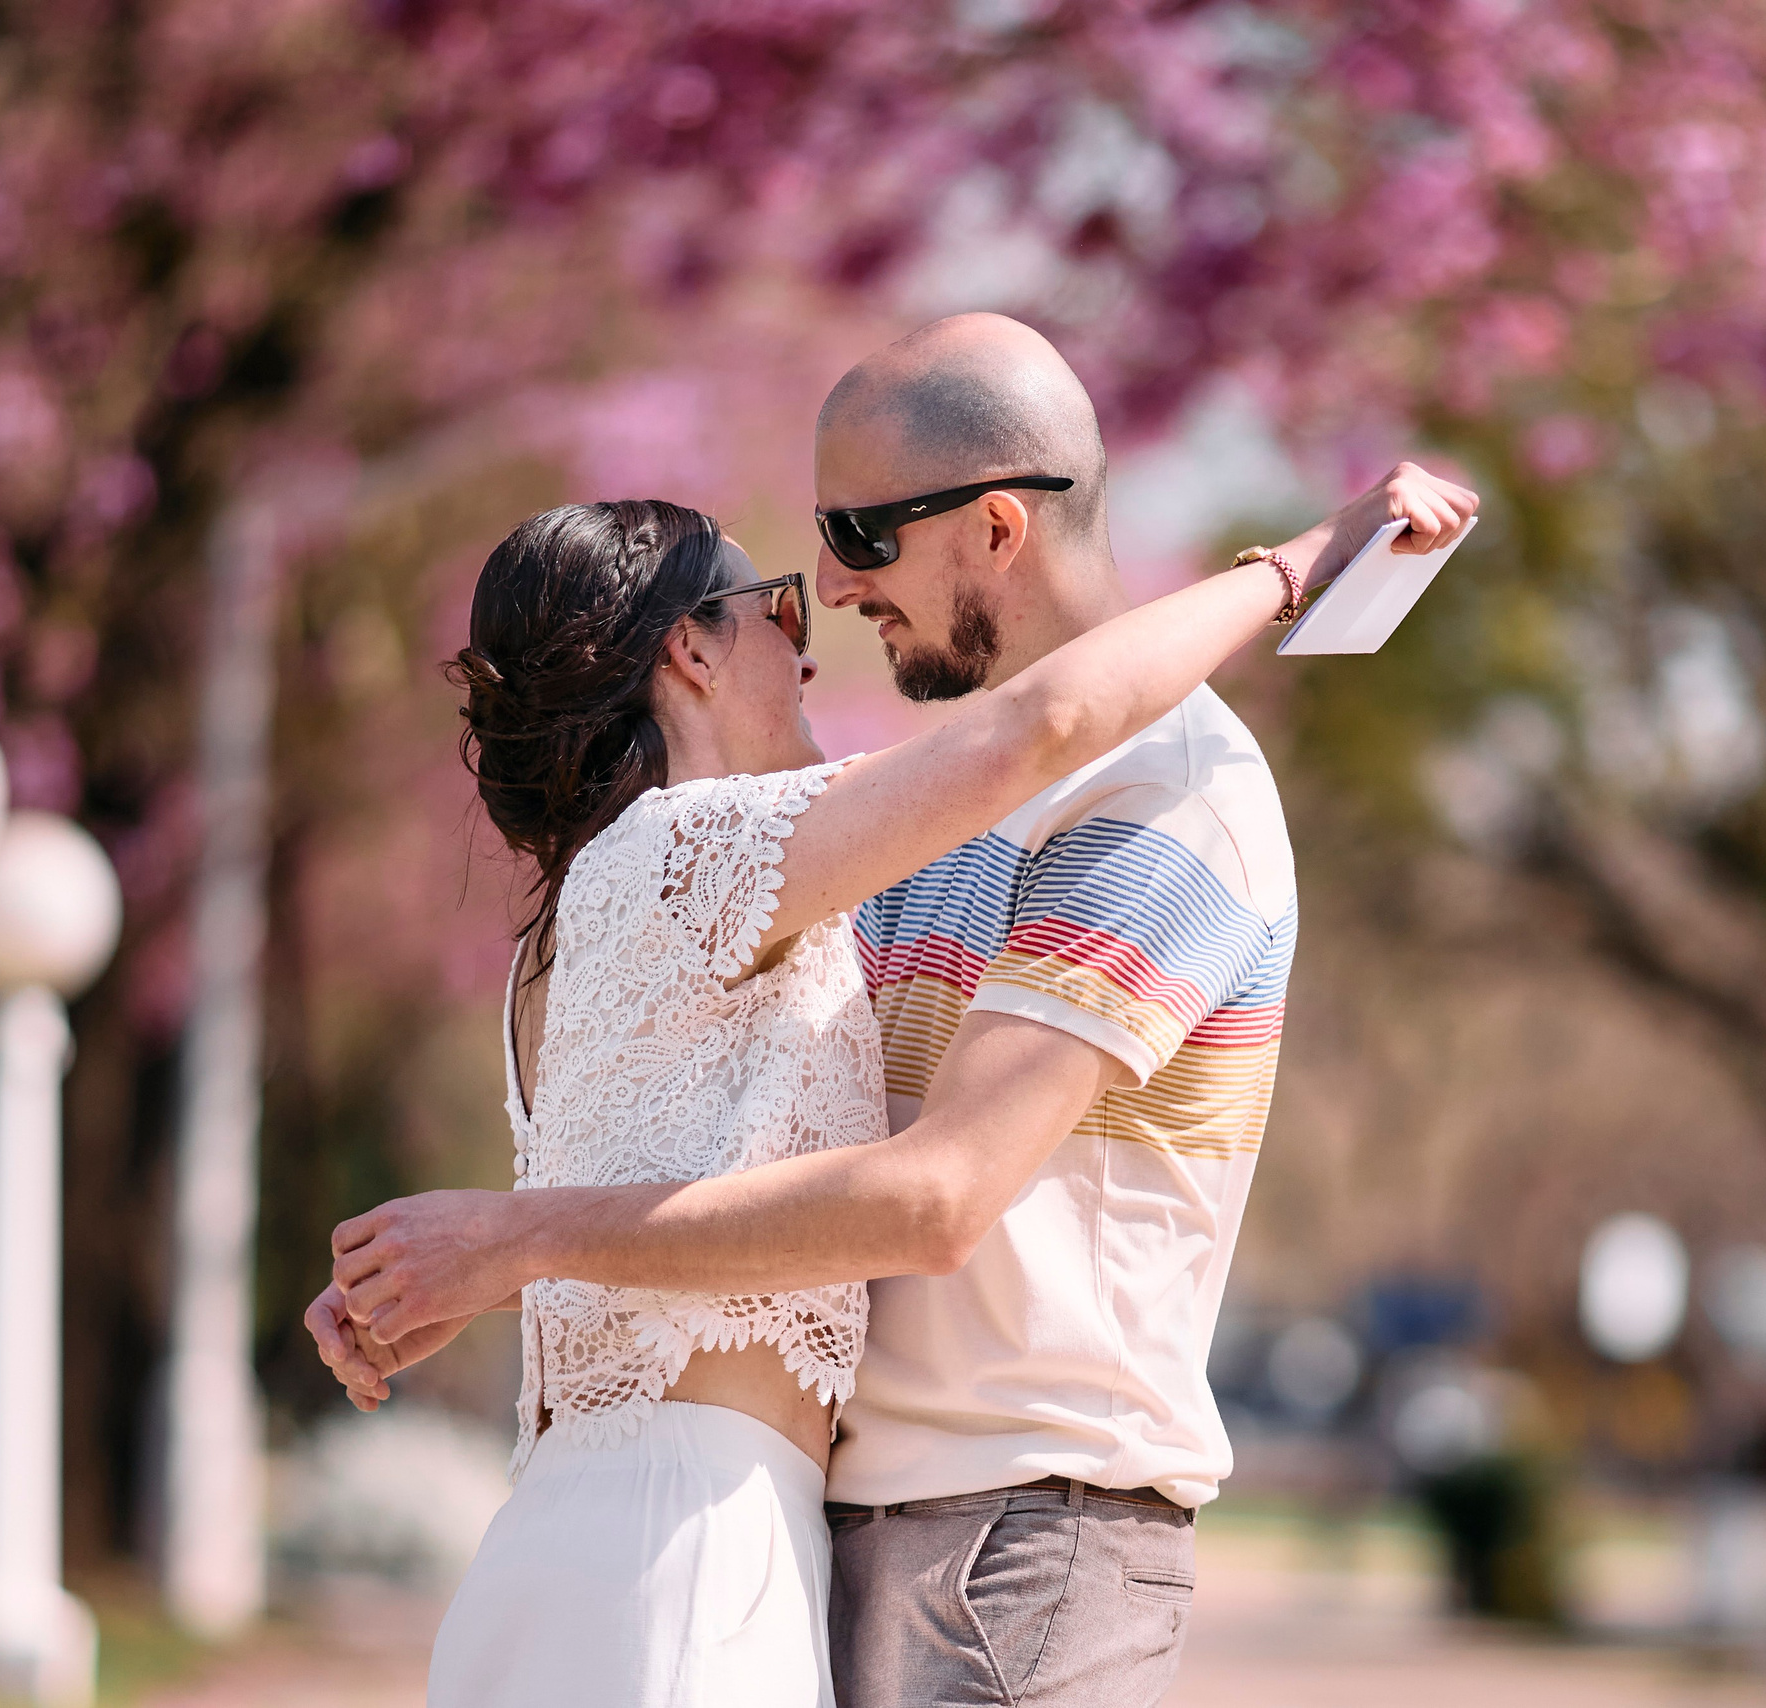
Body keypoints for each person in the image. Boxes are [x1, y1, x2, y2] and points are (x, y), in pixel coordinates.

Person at [305, 313, 1480, 1707]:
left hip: (1008, 1541)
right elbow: (1027, 736)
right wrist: (486, 1256)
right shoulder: (815, 844)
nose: (836, 607)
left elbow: (934, 1194)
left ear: (994, 528)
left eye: (856, 545)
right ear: (684, 658)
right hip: (789, 1539)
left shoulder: (1164, 794)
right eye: (794, 584)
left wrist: (508, 1246)